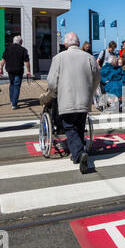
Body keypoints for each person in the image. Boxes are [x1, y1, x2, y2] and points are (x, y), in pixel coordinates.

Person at [47, 32, 100, 174]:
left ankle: (79, 153)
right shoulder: (89, 57)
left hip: (66, 99)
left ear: (65, 44)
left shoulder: (59, 58)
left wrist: (54, 93)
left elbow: (51, 82)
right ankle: (79, 151)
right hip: (84, 100)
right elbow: (96, 79)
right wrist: (91, 92)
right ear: (78, 42)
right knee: (79, 127)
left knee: (69, 128)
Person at [0, 36, 31, 109]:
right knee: (16, 86)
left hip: (9, 70)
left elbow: (3, 60)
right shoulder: (23, 50)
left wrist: (1, 69)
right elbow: (27, 62)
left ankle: (12, 100)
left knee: (12, 84)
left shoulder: (8, 49)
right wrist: (28, 71)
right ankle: (14, 104)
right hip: (18, 70)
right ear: (20, 42)